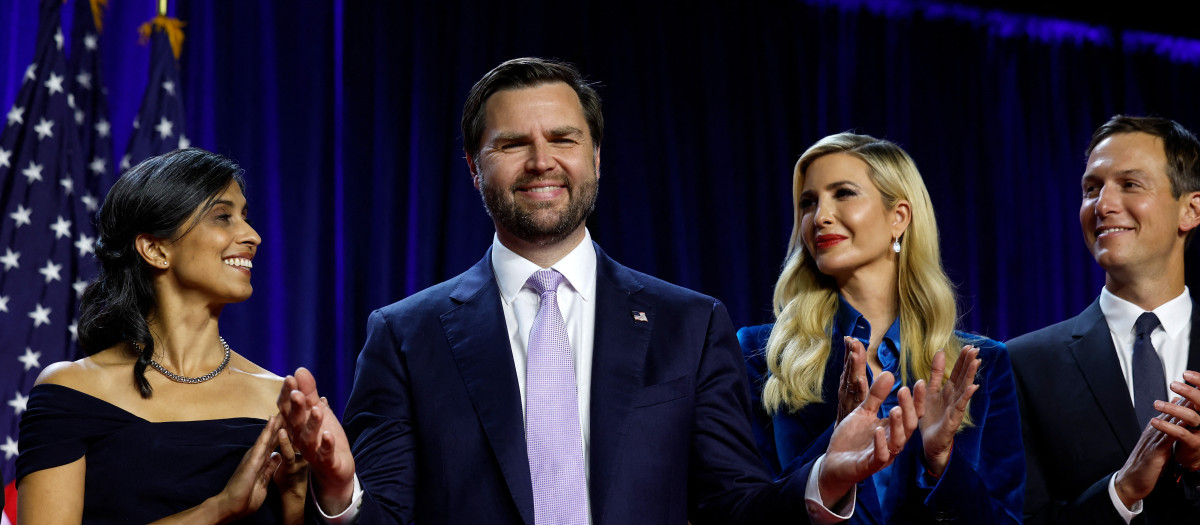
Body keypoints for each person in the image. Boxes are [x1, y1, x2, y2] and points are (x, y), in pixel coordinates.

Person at [275, 57, 928, 524]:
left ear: (594, 158)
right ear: (475, 168)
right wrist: (339, 489)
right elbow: (381, 515)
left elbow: (734, 506)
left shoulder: (690, 324)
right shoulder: (403, 335)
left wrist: (824, 478)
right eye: (512, 143)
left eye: (563, 138)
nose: (541, 160)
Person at [739, 132, 1025, 523]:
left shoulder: (983, 362)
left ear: (899, 217)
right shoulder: (761, 353)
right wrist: (835, 444)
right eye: (808, 202)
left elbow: (1005, 519)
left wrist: (941, 463)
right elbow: (745, 511)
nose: (819, 216)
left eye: (843, 193)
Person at [16, 149, 307, 524]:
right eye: (223, 217)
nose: (252, 236)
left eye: (245, 218)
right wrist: (217, 508)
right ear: (154, 249)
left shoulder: (278, 398)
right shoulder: (71, 389)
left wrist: (298, 499)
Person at [1008, 115, 1200, 524]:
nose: (1104, 205)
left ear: (1191, 210)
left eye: (1130, 185)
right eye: (1091, 189)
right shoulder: (1024, 364)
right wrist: (1123, 489)